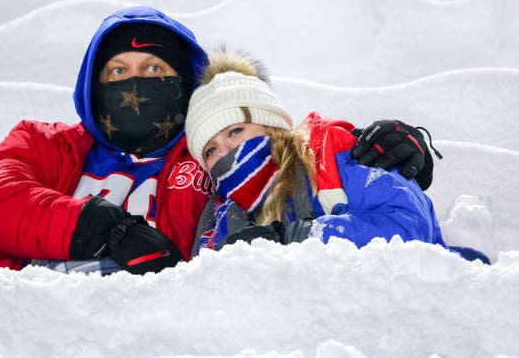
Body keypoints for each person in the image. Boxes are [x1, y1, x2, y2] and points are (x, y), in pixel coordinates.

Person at [0, 6, 442, 276]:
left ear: (183, 87)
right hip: (30, 313)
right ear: (91, 85)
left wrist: (376, 144)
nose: (134, 85)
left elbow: (281, 142)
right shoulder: (43, 143)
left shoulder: (203, 158)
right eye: (117, 72)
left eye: (154, 70)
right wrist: (105, 229)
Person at [184, 49, 490, 264]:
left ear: (272, 127)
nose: (226, 152)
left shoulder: (337, 157)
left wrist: (299, 237)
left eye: (235, 132)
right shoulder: (223, 217)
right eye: (210, 150)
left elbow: (409, 229)